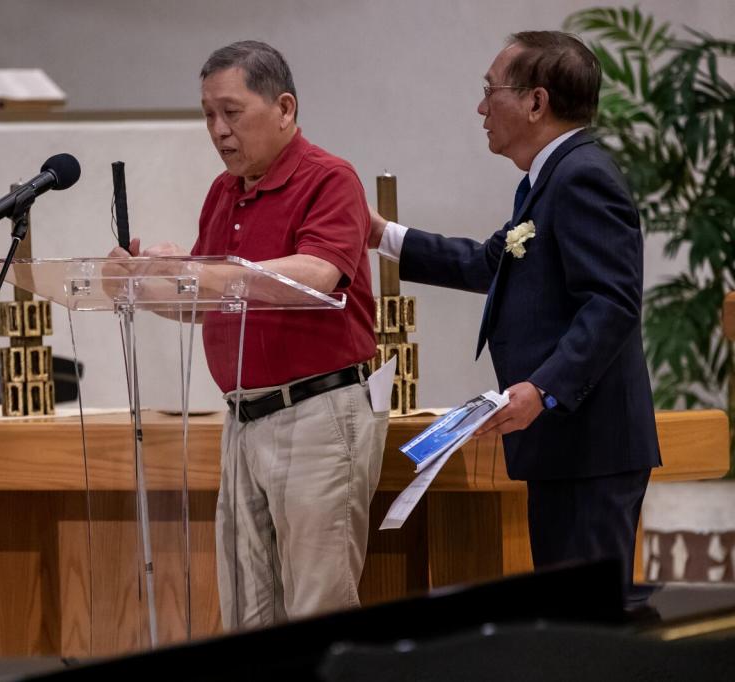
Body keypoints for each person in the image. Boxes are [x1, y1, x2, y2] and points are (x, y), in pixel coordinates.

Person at [369, 31, 661, 603]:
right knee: (567, 617)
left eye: (490, 91)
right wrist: (384, 236)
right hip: (564, 445)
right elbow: (489, 262)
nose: (481, 108)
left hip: (589, 445)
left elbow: (613, 301)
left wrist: (544, 390)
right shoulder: (544, 181)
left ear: (536, 101)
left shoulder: (582, 175)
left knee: (589, 623)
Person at [111, 41, 388, 629]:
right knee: (247, 616)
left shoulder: (330, 178)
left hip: (317, 414)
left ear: (284, 108)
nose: (217, 130)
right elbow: (208, 300)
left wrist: (196, 270)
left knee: (318, 612)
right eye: (208, 114)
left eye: (232, 113)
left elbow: (315, 276)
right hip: (242, 419)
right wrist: (136, 284)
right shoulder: (223, 192)